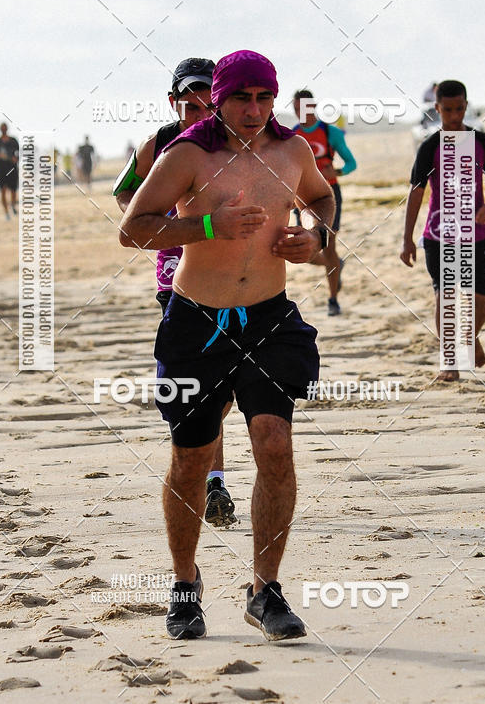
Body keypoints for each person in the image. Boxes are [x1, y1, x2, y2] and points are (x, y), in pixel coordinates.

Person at [119, 49, 333, 641]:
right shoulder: (187, 153)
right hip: (195, 323)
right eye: (242, 98)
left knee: (275, 443)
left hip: (268, 318)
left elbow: (321, 197)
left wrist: (312, 237)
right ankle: (185, 584)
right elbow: (132, 229)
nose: (255, 109)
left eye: (265, 97)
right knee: (192, 458)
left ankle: (265, 590)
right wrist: (208, 227)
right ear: (219, 97)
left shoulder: (292, 150)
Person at [114, 58, 237, 527]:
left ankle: (213, 474)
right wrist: (153, 219)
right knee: (197, 386)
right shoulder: (160, 143)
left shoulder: (236, 140)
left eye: (207, 103)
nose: (199, 112)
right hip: (176, 277)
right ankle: (212, 480)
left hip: (229, 276)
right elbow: (124, 190)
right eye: (189, 104)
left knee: (222, 389)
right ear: (173, 102)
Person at [400, 79, 485, 381]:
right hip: (439, 236)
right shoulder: (430, 146)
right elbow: (416, 193)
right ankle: (449, 361)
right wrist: (407, 239)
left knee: (482, 297)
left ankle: (470, 338)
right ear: (438, 109)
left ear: (466, 105)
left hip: (479, 234)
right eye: (448, 110)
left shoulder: (480, 140)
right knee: (446, 297)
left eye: (460, 108)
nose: (455, 115)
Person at [292, 89, 357, 316]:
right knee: (305, 252)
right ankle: (336, 265)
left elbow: (351, 163)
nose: (301, 112)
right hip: (300, 197)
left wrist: (337, 170)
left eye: (305, 107)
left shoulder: (330, 133)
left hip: (329, 194)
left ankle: (333, 299)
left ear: (313, 107)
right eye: (296, 108)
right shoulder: (292, 136)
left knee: (328, 246)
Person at [0, 123, 19, 219]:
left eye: (5, 128)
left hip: (12, 170)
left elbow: (19, 153)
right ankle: (6, 212)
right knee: (2, 191)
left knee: (13, 191)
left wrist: (15, 158)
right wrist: (0, 156)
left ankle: (13, 206)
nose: (3, 130)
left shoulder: (13, 141)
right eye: (2, 128)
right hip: (1, 171)